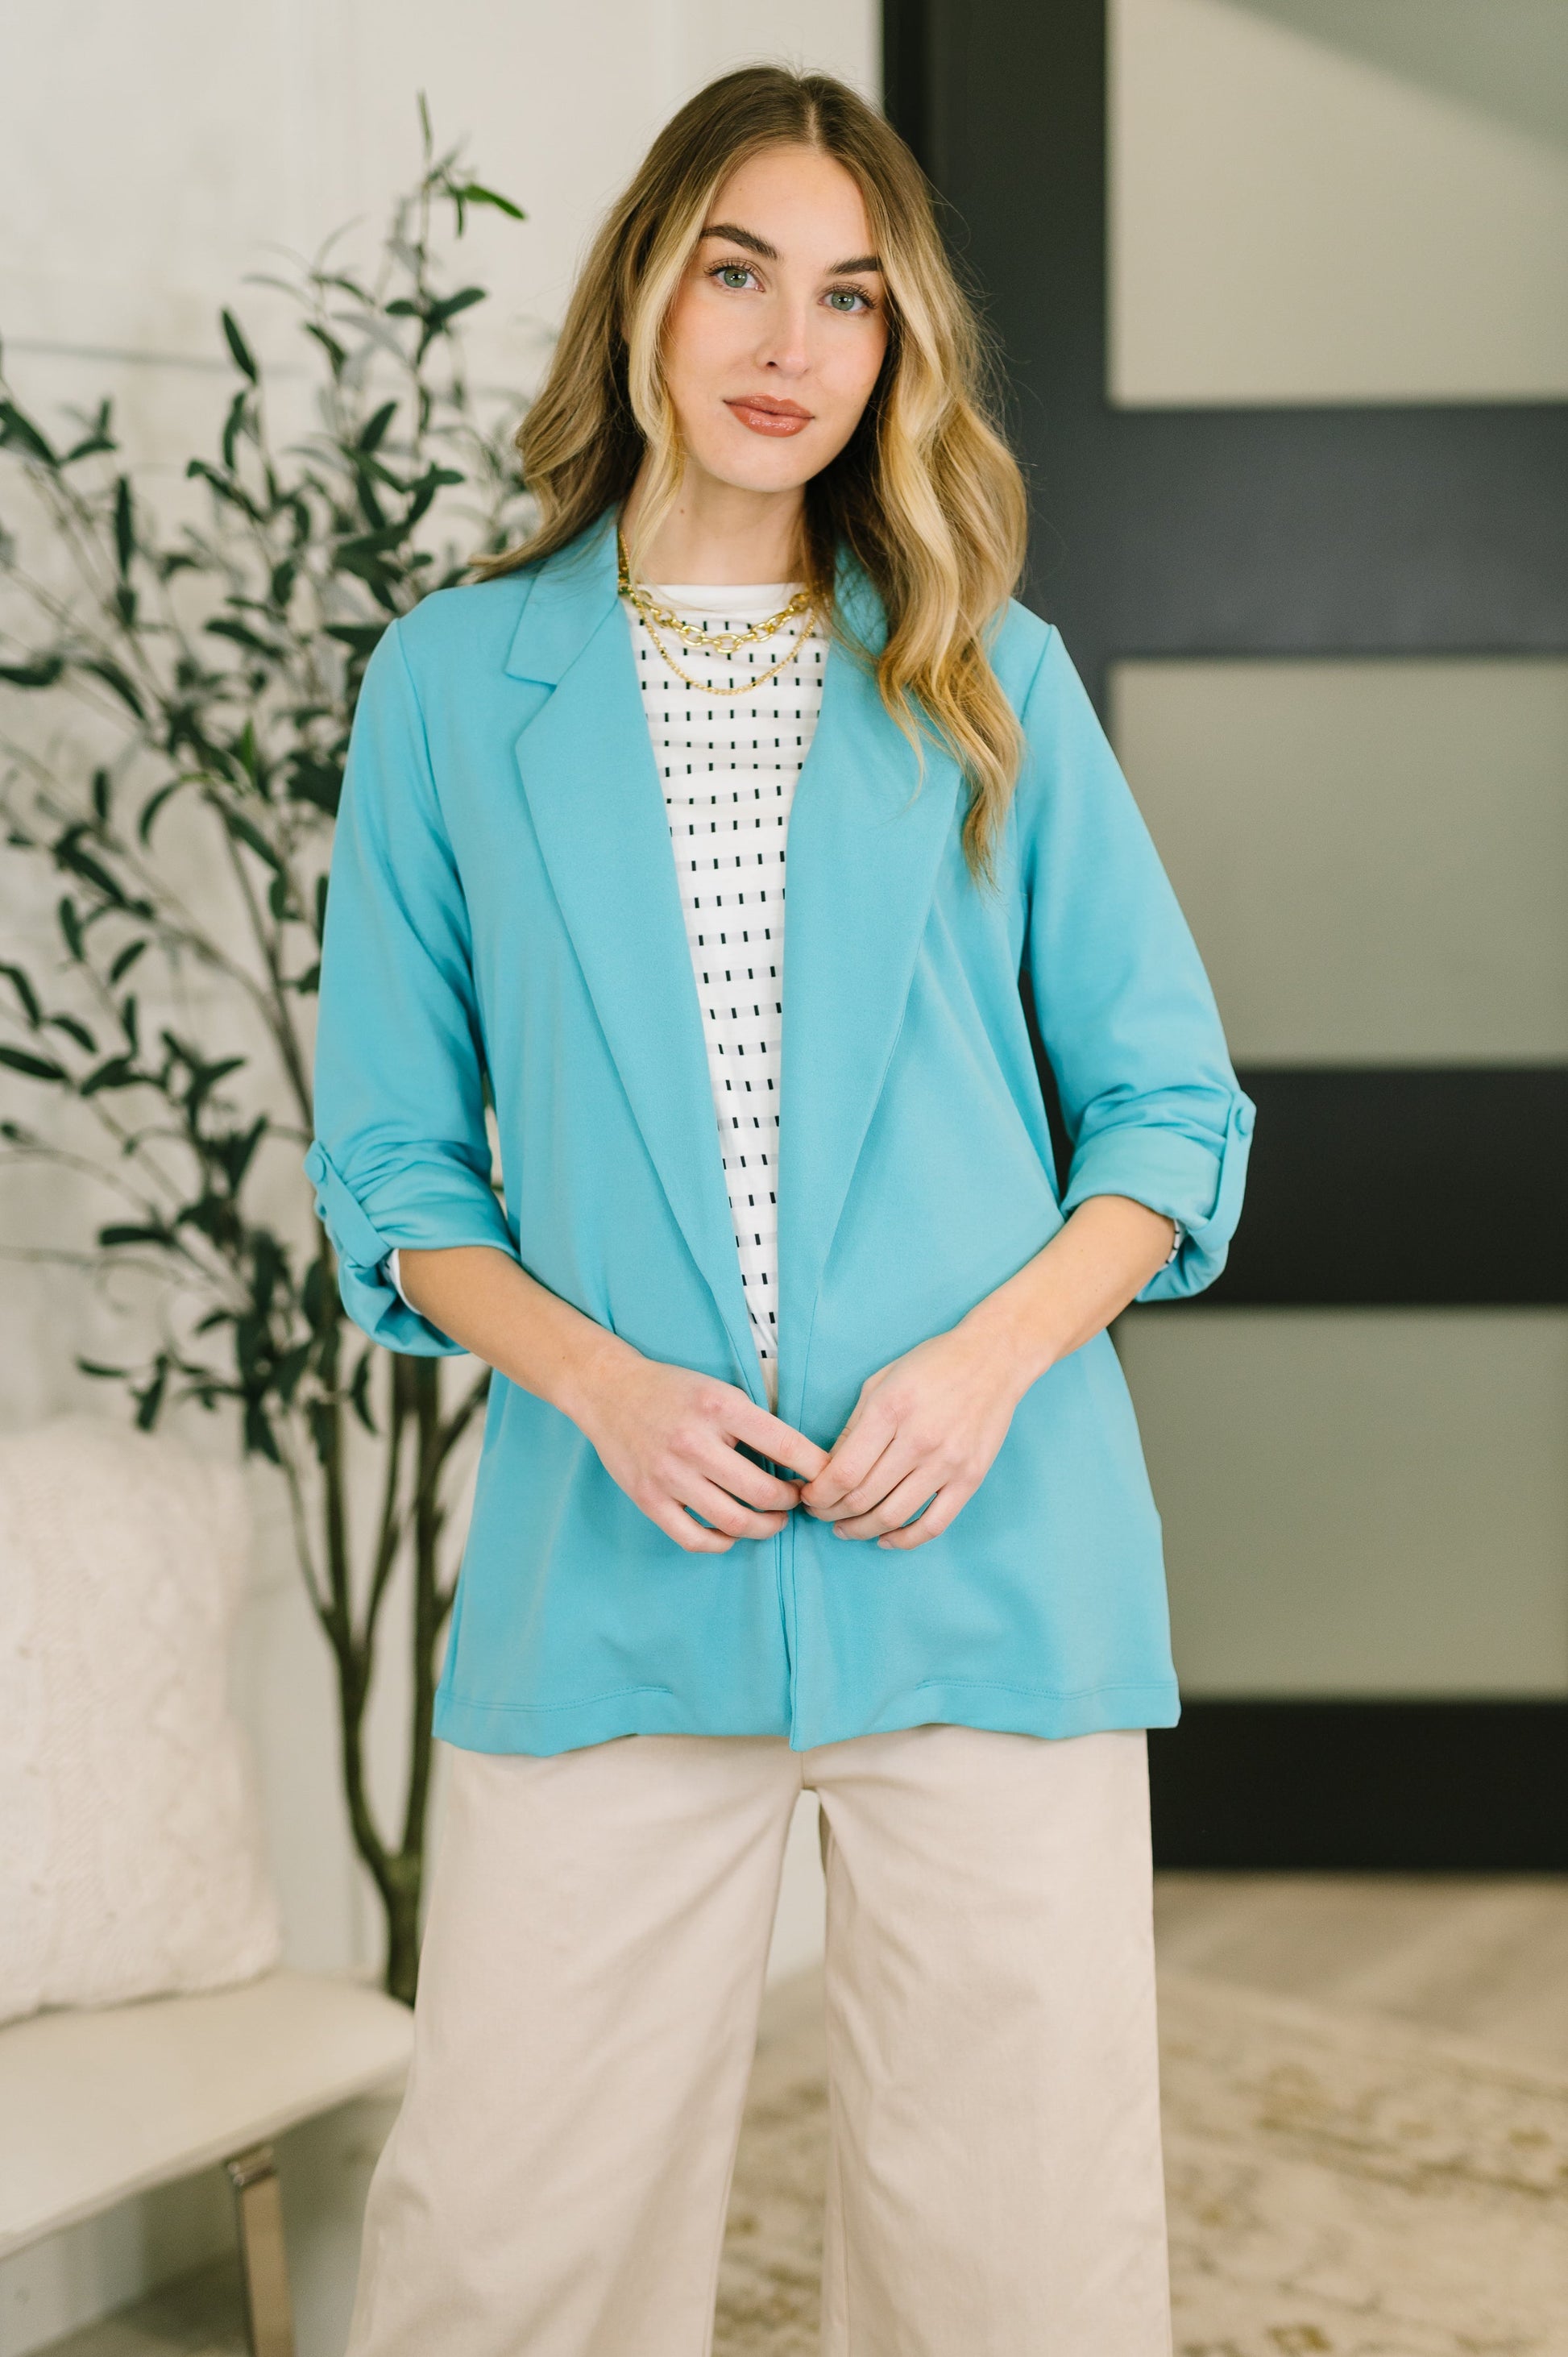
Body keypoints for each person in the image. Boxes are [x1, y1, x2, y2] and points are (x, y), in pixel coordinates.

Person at [303, 61, 1254, 2357]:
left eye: (848, 295)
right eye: (737, 266)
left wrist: (982, 1361)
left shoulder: (985, 681)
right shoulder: (453, 685)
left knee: (1014, 2262)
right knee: (507, 2251)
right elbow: (396, 1174)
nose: (786, 339)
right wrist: (604, 1384)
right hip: (615, 1564)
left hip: (984, 1557)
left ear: (893, 351)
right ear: (645, 283)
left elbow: (1165, 1118)